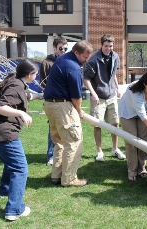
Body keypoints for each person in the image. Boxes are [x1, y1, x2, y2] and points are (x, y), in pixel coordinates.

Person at [0, 59, 43, 221]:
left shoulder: (16, 82)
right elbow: (0, 107)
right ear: (30, 75)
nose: (36, 76)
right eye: (35, 74)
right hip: (2, 133)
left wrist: (43, 95)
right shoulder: (15, 85)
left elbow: (26, 96)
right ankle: (14, 210)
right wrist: (22, 113)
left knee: (12, 163)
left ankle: (4, 190)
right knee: (20, 168)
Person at [43, 40, 93, 187]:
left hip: (50, 105)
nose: (87, 60)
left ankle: (56, 176)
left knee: (59, 141)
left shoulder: (62, 59)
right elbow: (76, 96)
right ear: (76, 52)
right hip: (62, 106)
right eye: (85, 57)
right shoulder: (74, 67)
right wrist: (79, 111)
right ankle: (69, 179)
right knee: (74, 141)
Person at [83, 34, 126, 162]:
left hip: (111, 95)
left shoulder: (116, 56)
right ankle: (99, 151)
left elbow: (114, 75)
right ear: (101, 45)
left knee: (115, 123)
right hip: (98, 96)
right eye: (106, 46)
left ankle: (115, 149)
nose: (108, 48)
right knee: (98, 124)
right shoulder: (93, 59)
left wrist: (118, 88)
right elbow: (86, 79)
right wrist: (94, 94)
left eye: (111, 46)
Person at [40, 37, 68, 166]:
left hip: (65, 101)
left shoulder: (67, 61)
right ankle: (51, 155)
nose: (63, 51)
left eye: (66, 48)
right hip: (52, 101)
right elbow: (43, 83)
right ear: (55, 48)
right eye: (61, 48)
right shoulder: (47, 63)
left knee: (65, 127)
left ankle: (62, 153)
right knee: (53, 128)